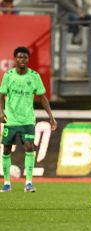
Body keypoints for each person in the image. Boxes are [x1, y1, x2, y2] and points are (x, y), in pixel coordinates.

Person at [0, 47, 57, 192]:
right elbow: (1, 96)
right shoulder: (8, 75)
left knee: (29, 146)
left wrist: (51, 116)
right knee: (6, 149)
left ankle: (29, 182)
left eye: (25, 57)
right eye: (19, 57)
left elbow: (42, 97)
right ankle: (7, 183)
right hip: (11, 120)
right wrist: (1, 112)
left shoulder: (34, 76)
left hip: (27, 120)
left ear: (28, 59)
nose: (22, 60)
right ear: (15, 59)